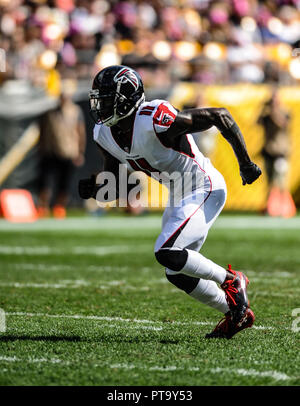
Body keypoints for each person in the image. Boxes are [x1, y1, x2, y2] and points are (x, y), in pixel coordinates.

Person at [78, 65, 262, 339]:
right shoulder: (104, 134)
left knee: (166, 251)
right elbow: (113, 181)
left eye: (106, 99)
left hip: (203, 186)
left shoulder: (153, 118)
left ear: (126, 98)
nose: (100, 107)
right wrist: (95, 188)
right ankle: (236, 313)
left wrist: (245, 163)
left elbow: (220, 116)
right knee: (175, 269)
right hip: (179, 193)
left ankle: (232, 281)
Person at [37, 80, 86, 218]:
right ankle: (43, 206)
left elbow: (80, 132)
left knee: (64, 182)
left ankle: (60, 207)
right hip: (50, 150)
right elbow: (43, 131)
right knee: (45, 181)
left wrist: (80, 152)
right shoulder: (49, 112)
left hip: (69, 151)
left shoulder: (75, 111)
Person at [258, 89, 296, 218]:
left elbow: (282, 124)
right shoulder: (266, 114)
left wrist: (273, 111)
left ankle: (284, 208)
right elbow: (256, 122)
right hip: (269, 151)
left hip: (281, 152)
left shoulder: (285, 112)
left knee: (280, 181)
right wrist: (262, 108)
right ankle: (271, 208)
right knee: (269, 182)